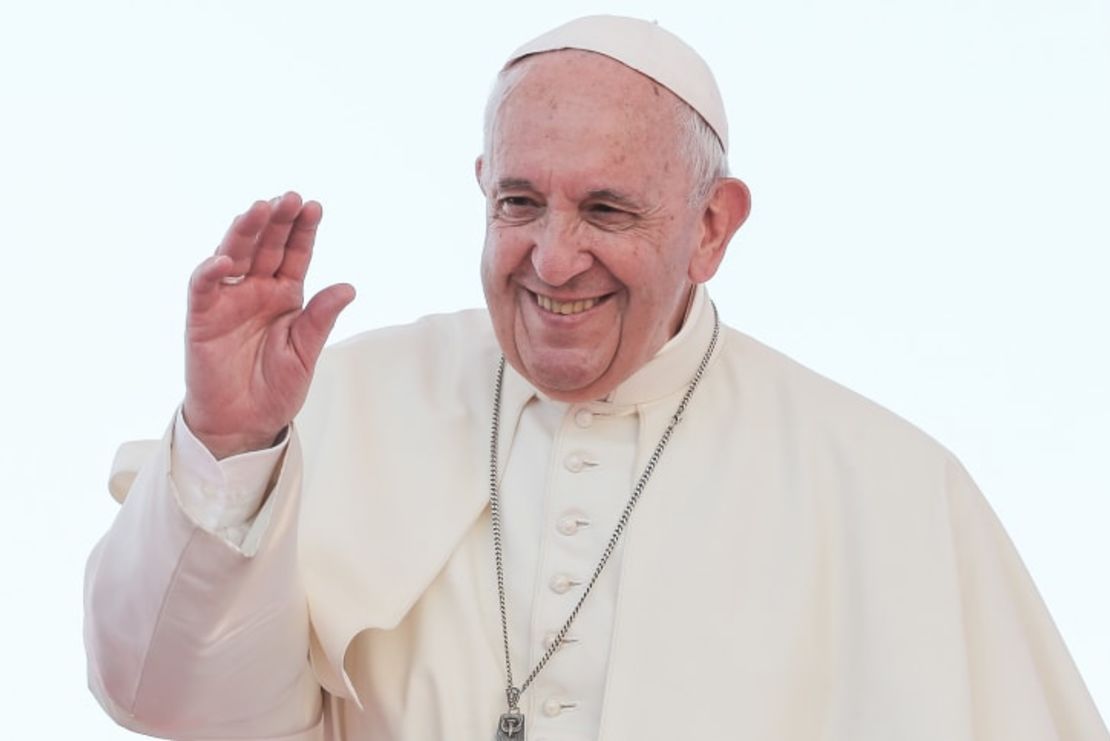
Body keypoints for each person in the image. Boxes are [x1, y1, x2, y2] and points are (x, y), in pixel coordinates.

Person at [84, 15, 1108, 741]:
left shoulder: (885, 485)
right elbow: (166, 701)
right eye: (520, 204)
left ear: (712, 226)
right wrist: (229, 446)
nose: (554, 259)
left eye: (609, 212)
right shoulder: (335, 408)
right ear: (481, 190)